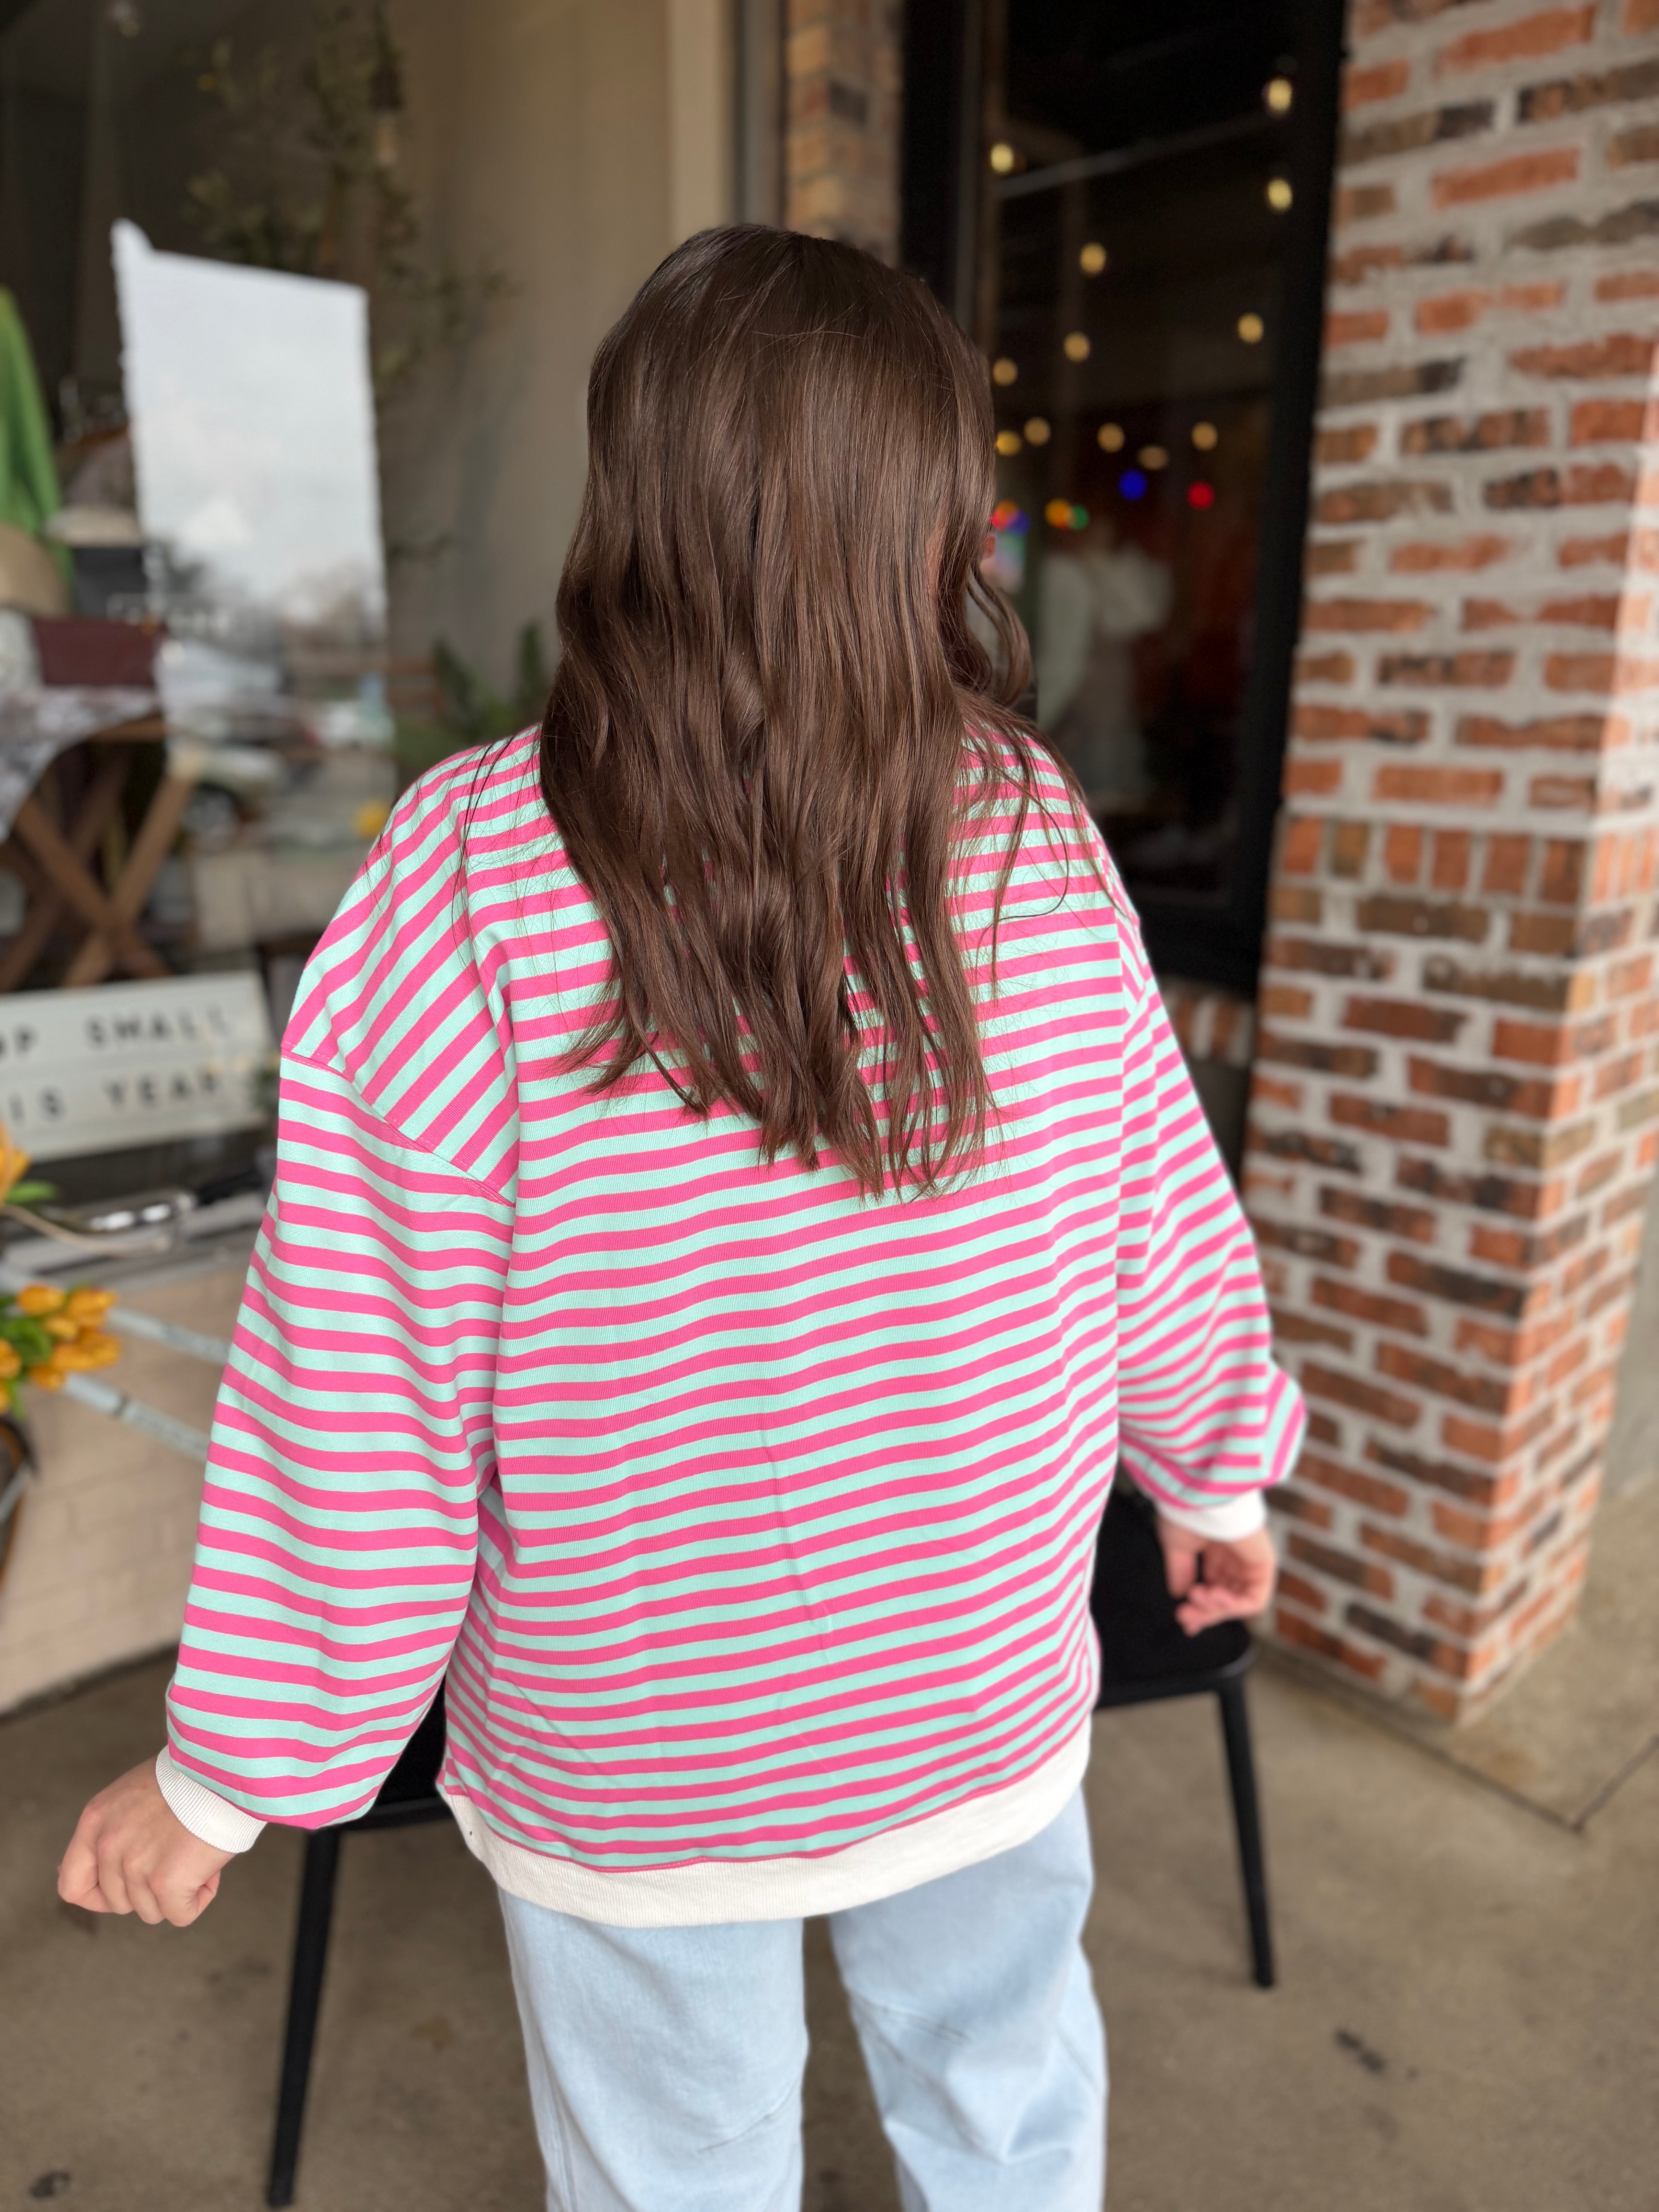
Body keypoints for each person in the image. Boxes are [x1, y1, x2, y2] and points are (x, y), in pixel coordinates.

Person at [58, 227, 1302, 2212]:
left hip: (644, 1742)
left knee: (672, 2174)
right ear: (932, 525)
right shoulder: (1025, 825)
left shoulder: (466, 869)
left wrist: (221, 1785)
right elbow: (1156, 1202)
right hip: (978, 1688)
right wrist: (1219, 1476)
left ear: (636, 505)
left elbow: (362, 1395)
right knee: (1009, 2112)